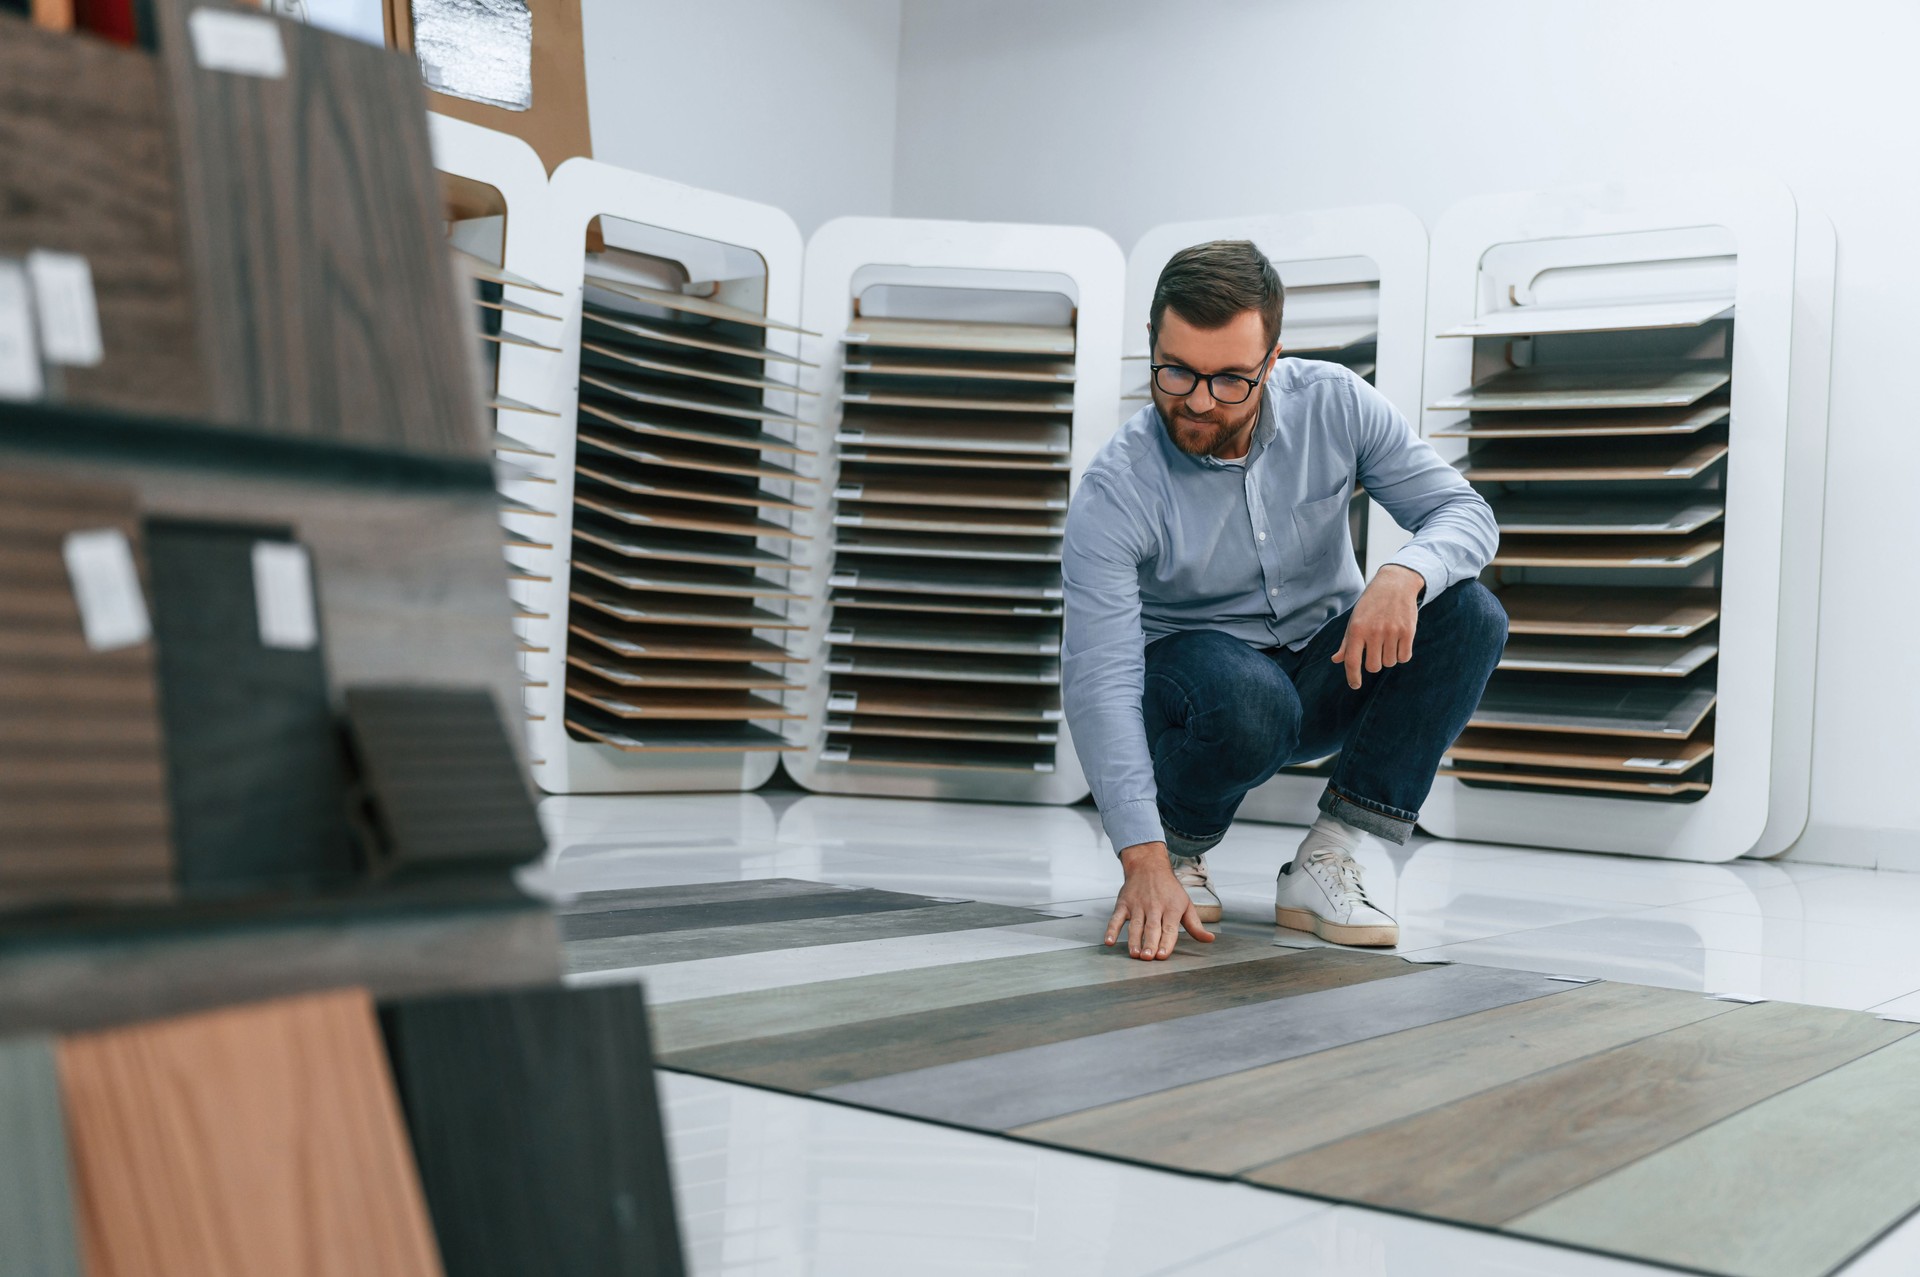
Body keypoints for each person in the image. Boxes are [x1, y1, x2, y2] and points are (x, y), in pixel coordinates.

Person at [1062, 239, 1507, 962]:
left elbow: (1465, 513)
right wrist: (1141, 855)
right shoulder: (1118, 490)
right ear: (1152, 344)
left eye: (1231, 379)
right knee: (1246, 692)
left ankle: (1332, 855)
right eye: (1176, 372)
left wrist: (1405, 574)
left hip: (1324, 671)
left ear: (1272, 360)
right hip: (1196, 696)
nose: (1199, 401)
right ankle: (1181, 848)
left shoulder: (1334, 403)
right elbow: (1099, 680)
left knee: (1470, 614)